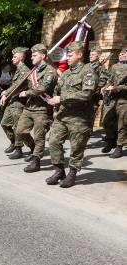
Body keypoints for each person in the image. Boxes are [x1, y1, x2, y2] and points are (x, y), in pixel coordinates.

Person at [46, 41, 97, 188]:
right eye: (67, 55)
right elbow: (57, 91)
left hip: (80, 118)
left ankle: (72, 174)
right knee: (54, 142)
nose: (67, 57)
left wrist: (61, 99)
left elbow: (86, 94)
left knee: (76, 147)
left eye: (70, 54)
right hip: (63, 115)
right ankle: (59, 170)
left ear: (80, 55)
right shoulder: (67, 73)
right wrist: (56, 108)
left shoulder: (88, 72)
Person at [9, 43, 58, 174]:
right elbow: (21, 85)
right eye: (31, 55)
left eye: (34, 55)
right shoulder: (33, 71)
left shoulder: (50, 71)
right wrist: (9, 93)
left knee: (39, 136)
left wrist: (27, 93)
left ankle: (36, 161)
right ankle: (33, 149)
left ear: (42, 56)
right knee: (20, 131)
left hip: (42, 109)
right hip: (29, 107)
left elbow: (43, 88)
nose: (32, 57)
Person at [0, 47, 31, 154]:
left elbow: (18, 86)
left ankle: (19, 148)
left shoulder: (25, 70)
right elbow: (13, 85)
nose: (12, 59)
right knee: (5, 123)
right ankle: (13, 142)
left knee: (18, 127)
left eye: (14, 56)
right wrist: (6, 95)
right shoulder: (17, 69)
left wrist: (5, 93)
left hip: (19, 102)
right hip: (12, 101)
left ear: (21, 57)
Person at [102, 46, 127, 158]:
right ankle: (111, 140)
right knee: (106, 121)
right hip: (112, 98)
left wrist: (117, 87)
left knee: (122, 123)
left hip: (124, 99)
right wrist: (105, 87)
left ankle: (119, 147)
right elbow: (110, 80)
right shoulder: (114, 67)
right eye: (120, 54)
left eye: (124, 53)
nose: (121, 55)